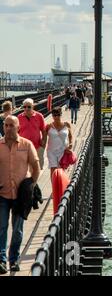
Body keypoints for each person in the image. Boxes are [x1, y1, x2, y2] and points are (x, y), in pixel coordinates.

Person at [0, 116, 40, 274]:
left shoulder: (26, 145)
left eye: (11, 126)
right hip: (2, 194)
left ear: (18, 128)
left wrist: (31, 185)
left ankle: (14, 260)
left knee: (17, 230)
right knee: (1, 228)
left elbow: (35, 167)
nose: (8, 128)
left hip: (20, 196)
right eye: (6, 125)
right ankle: (1, 260)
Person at [17, 99, 47, 170]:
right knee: (25, 168)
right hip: (23, 147)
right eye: (24, 107)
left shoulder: (39, 116)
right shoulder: (19, 117)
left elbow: (44, 130)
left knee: (37, 167)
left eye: (29, 107)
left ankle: (34, 180)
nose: (26, 108)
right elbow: (16, 132)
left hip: (37, 147)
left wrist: (44, 143)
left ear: (33, 106)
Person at [45, 107, 73, 177]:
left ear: (61, 114)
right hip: (52, 151)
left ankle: (61, 186)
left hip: (63, 150)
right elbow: (44, 138)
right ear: (52, 116)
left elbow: (70, 136)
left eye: (58, 115)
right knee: (53, 170)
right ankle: (54, 187)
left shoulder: (67, 124)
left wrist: (71, 143)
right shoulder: (48, 126)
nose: (56, 117)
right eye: (54, 115)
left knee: (61, 170)